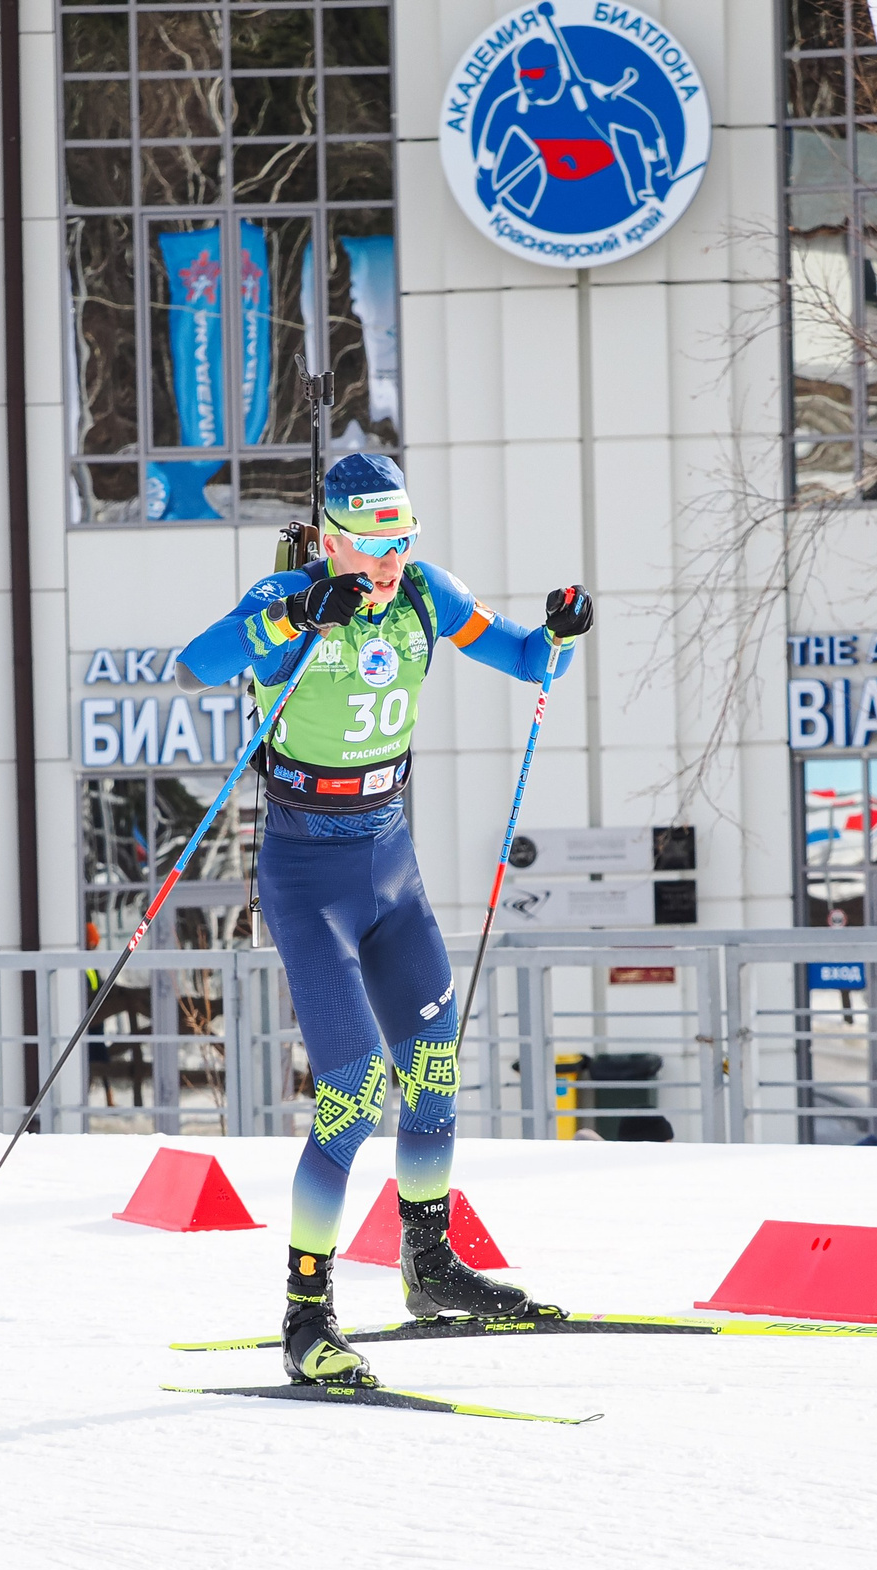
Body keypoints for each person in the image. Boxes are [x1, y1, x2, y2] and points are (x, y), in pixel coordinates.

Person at [176, 452, 595, 1385]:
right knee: (355, 1086)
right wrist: (291, 615)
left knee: (436, 1056)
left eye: (402, 543)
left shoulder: (424, 597)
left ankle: (430, 1263)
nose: (390, 565)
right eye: (372, 548)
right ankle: (306, 1312)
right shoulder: (292, 599)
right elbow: (195, 664)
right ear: (333, 542)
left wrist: (561, 627)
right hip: (307, 871)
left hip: (391, 864)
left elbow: (525, 653)